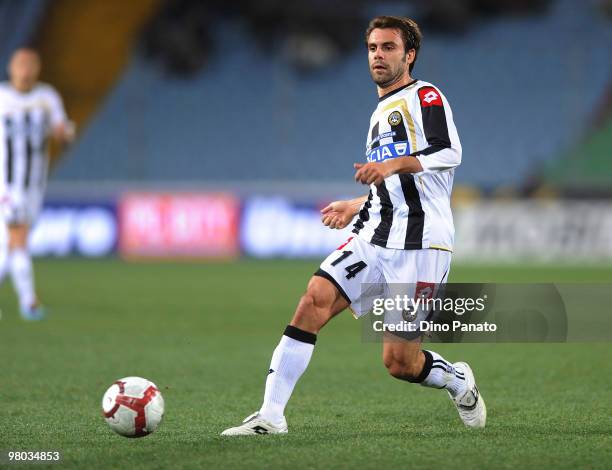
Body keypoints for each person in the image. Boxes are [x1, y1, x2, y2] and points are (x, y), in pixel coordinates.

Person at [221, 16, 485, 436]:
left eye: (388, 48)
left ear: (409, 55)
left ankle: (457, 381)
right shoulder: (379, 112)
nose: (378, 55)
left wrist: (390, 164)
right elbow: (397, 187)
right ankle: (271, 416)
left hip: (420, 243)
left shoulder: (426, 96)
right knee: (313, 301)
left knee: (400, 363)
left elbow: (449, 152)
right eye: (372, 48)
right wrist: (358, 204)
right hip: (375, 233)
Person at [0, 48, 73, 320]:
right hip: (7, 184)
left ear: (38, 68)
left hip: (34, 184)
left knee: (8, 244)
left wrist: (64, 134)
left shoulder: (47, 97)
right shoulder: (1, 97)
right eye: (20, 63)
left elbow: (64, 133)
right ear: (11, 67)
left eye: (31, 63)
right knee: (18, 238)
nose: (25, 69)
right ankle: (29, 302)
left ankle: (28, 301)